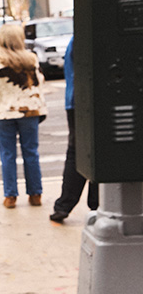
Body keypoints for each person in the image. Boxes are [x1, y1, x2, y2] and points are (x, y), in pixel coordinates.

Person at [0, 23, 47, 208]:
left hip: (4, 113)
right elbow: (39, 85)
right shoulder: (31, 60)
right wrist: (40, 111)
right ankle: (35, 194)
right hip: (30, 112)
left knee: (8, 155)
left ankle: (10, 196)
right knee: (31, 153)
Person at [50, 36, 99, 224]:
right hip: (86, 100)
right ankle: (94, 203)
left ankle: (65, 205)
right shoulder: (87, 36)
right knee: (93, 151)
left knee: (78, 151)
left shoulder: (78, 37)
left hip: (75, 100)